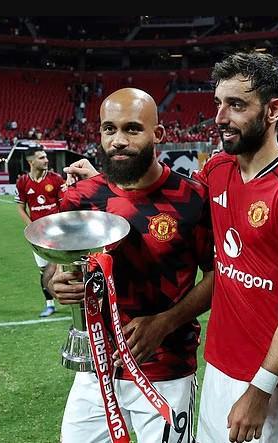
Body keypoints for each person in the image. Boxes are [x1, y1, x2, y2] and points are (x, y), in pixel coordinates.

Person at [50, 88, 214, 443]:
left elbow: (217, 277)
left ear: (159, 134)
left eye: (132, 129)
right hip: (96, 368)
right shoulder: (80, 198)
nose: (118, 140)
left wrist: (165, 322)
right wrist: (55, 281)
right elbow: (56, 267)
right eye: (109, 129)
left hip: (166, 369)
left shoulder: (193, 198)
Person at [192, 52, 278, 443]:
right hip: (219, 369)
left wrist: (260, 389)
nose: (220, 117)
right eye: (218, 103)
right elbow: (171, 207)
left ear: (273, 110)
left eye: (236, 105)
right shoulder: (217, 169)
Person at [15, 146, 64, 317]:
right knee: (44, 271)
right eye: (41, 157)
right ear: (31, 162)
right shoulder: (22, 182)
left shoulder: (56, 179)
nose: (46, 160)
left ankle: (82, 303)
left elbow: (64, 204)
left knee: (66, 267)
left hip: (58, 233)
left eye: (46, 157)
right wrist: (32, 228)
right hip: (38, 236)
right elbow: (20, 208)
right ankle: (49, 304)